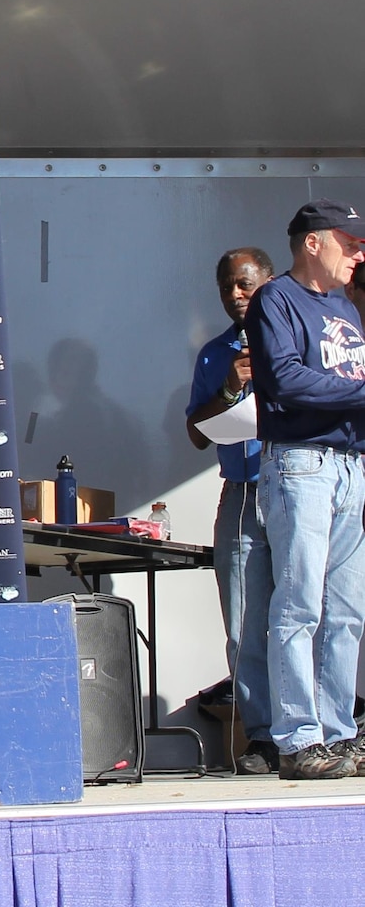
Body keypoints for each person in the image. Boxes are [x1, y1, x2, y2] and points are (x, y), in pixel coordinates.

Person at [244, 199, 365, 779]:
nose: (360, 252)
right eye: (351, 241)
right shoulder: (276, 299)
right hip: (301, 465)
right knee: (298, 604)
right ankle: (296, 737)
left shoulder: (344, 307)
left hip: (348, 467)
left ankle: (339, 734)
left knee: (346, 610)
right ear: (313, 243)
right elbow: (285, 380)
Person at [185, 247, 276, 774]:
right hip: (239, 492)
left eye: (243, 284)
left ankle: (310, 730)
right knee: (243, 623)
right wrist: (230, 386)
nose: (235, 295)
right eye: (226, 287)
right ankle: (262, 736)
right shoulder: (214, 352)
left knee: (302, 614)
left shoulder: (297, 333)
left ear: (268, 280)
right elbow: (197, 433)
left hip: (291, 486)